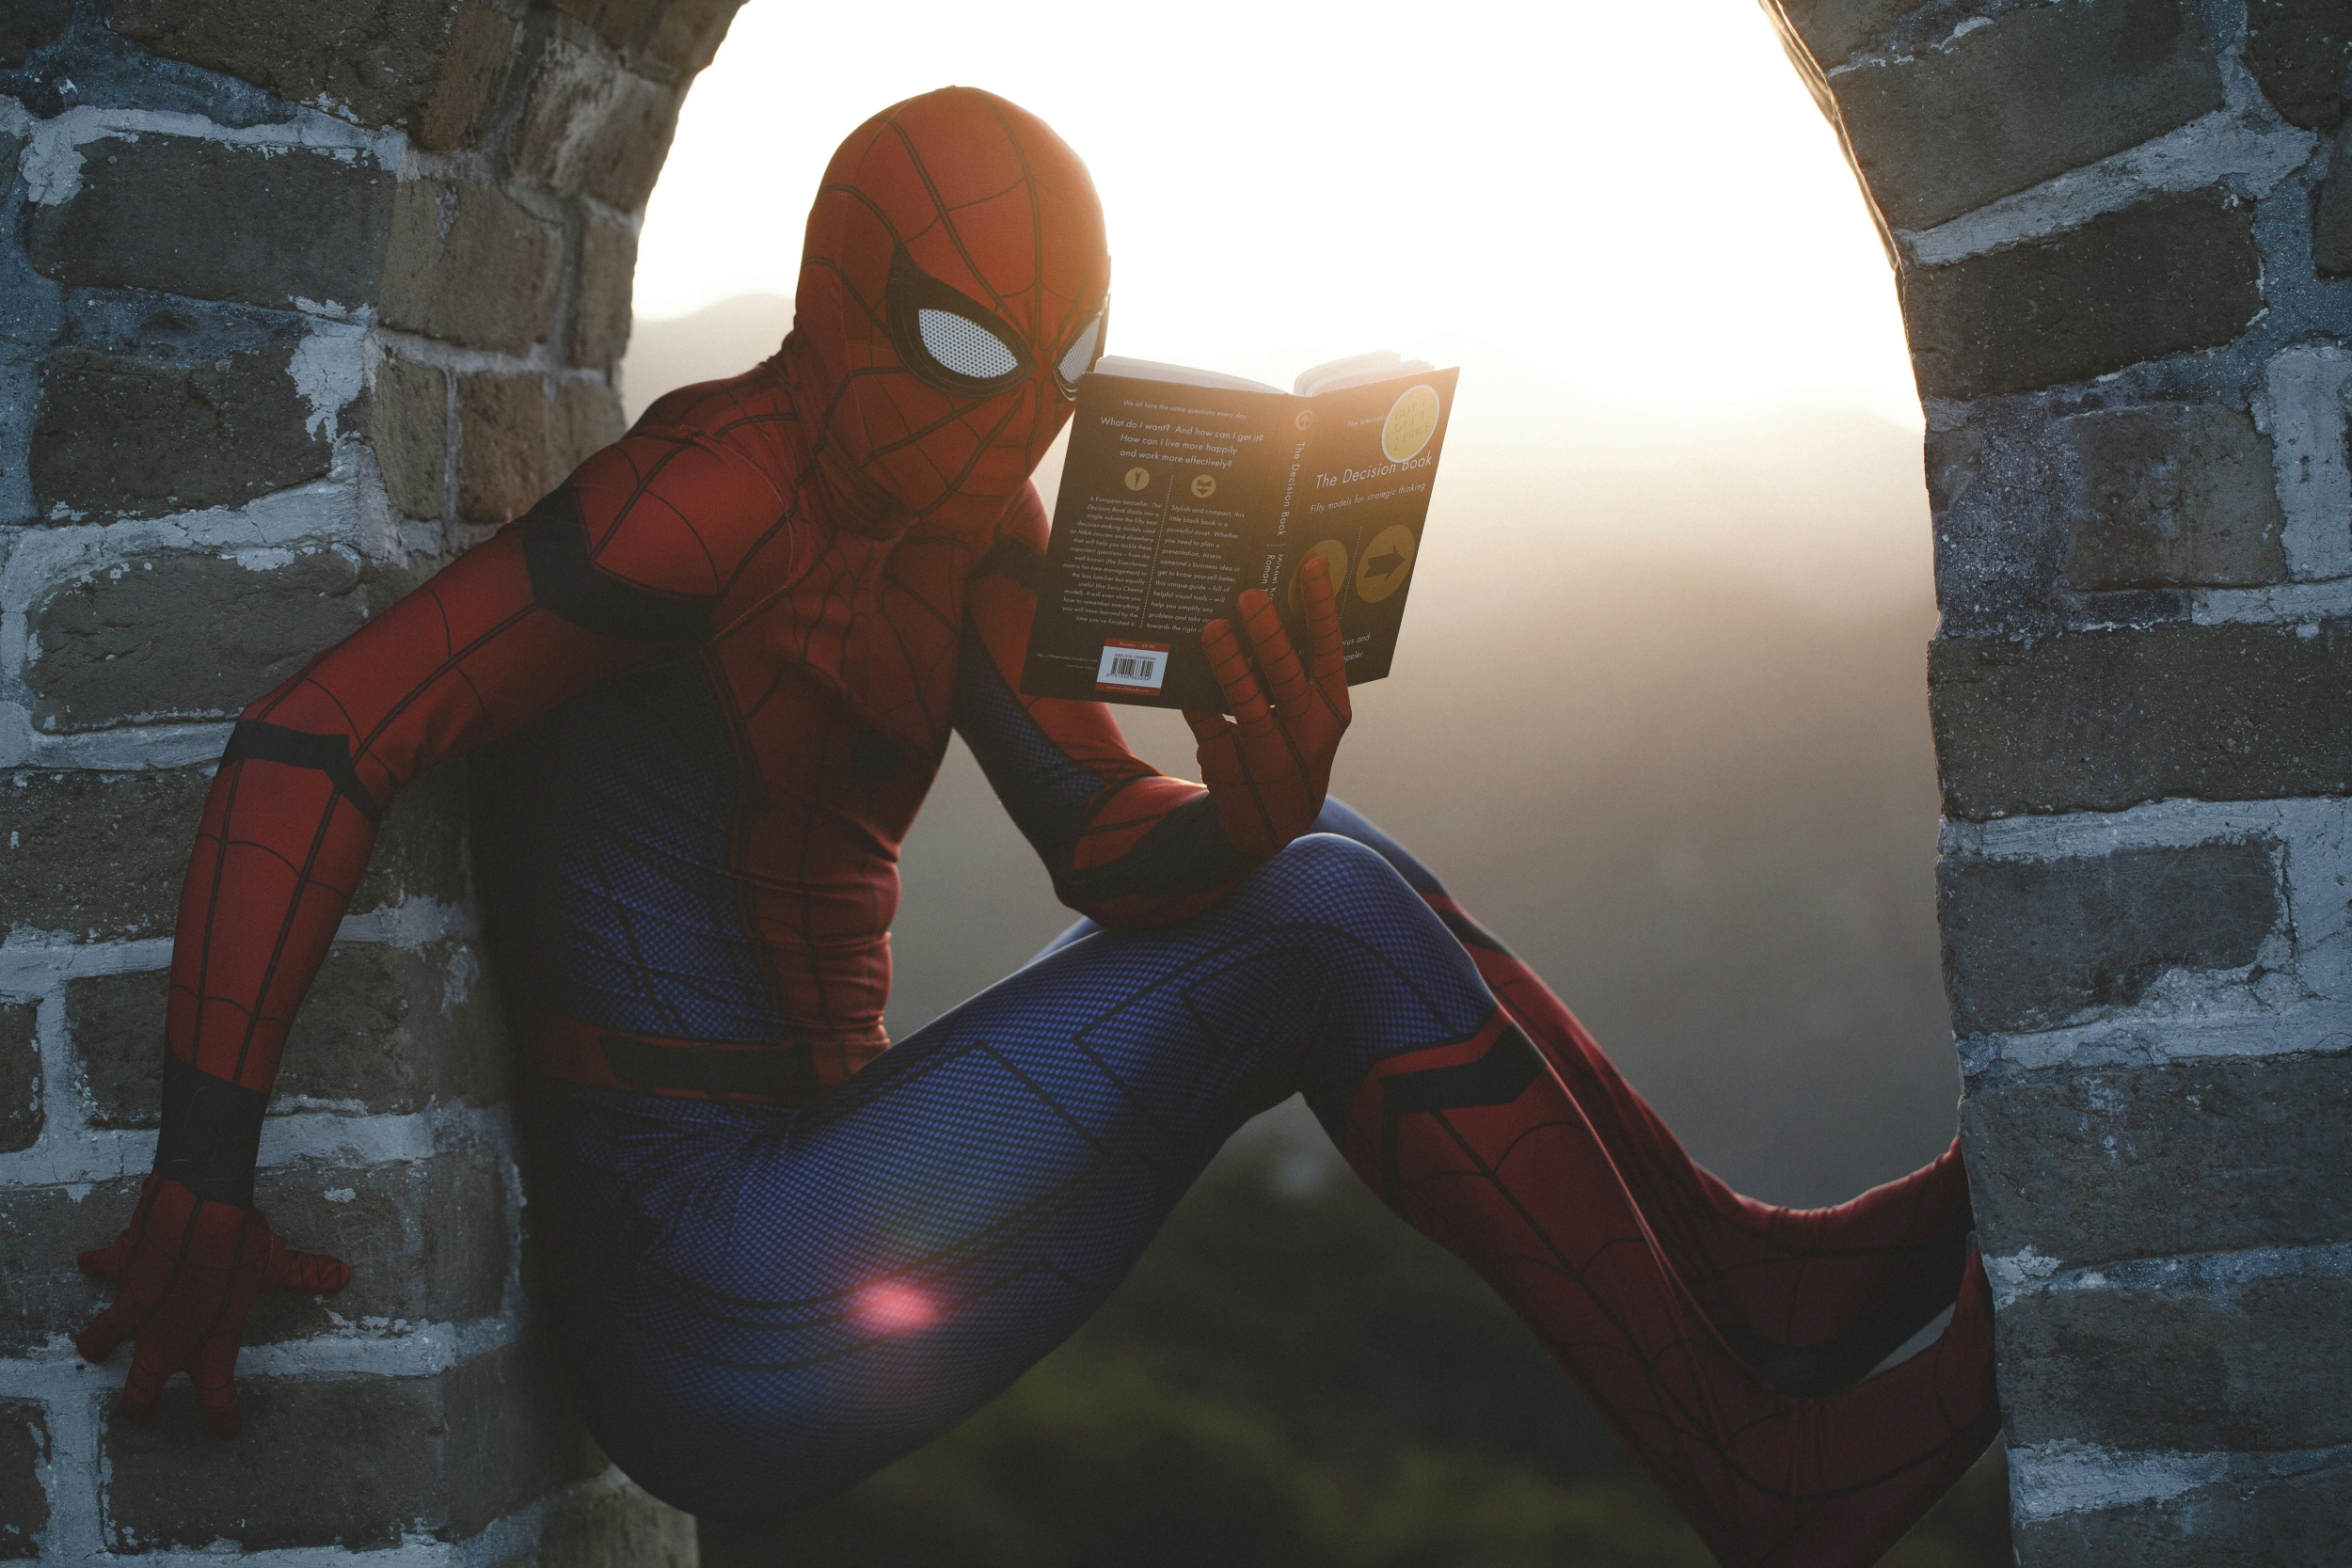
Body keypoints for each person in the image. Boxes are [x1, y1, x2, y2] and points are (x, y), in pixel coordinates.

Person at [72, 87, 1995, 1567]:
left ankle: (1758, 1285)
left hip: (832, 1195)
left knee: (1335, 865)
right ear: (843, 305)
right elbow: (322, 736)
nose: (1018, 424)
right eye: (972, 355)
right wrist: (202, 1169)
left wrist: (1244, 794)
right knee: (1317, 911)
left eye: (1064, 371)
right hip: (701, 1285)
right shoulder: (709, 496)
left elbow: (1104, 840)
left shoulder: (970, 521)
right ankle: (1757, 1475)